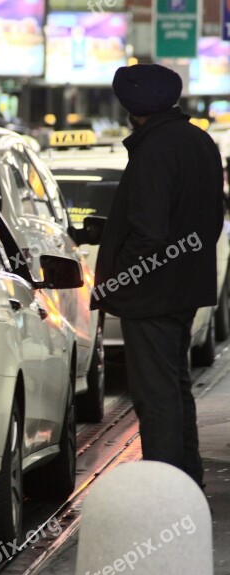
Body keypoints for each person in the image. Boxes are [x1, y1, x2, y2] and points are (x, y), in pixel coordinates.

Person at [91, 64, 224, 489]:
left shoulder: (153, 150)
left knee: (156, 395)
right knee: (175, 386)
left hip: (152, 294)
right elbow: (212, 219)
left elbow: (148, 232)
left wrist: (124, 279)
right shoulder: (200, 141)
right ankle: (186, 481)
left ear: (131, 107)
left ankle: (164, 491)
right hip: (185, 289)